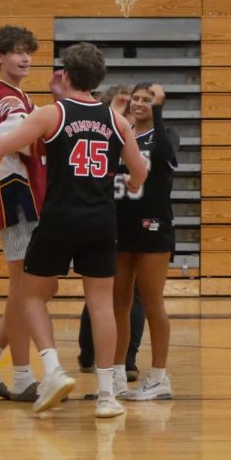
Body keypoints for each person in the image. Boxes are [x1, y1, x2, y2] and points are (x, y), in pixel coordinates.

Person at [0, 42, 148, 419]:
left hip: (60, 217)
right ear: (100, 78)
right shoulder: (118, 121)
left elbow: (5, 144)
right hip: (101, 219)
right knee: (101, 305)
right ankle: (108, 394)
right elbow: (140, 171)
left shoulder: (52, 113)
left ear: (65, 76)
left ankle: (51, 370)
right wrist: (130, 183)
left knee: (30, 295)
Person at [0, 24, 54, 402]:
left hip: (29, 197)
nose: (24, 57)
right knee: (25, 291)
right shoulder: (5, 100)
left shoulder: (19, 96)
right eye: (16, 50)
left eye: (28, 51)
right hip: (16, 198)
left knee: (38, 288)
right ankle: (20, 376)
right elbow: (21, 142)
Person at [116, 82, 181, 402]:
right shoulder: (120, 133)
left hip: (153, 225)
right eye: (136, 99)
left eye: (147, 99)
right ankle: (115, 376)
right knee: (118, 303)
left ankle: (158, 377)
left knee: (153, 302)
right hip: (118, 226)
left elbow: (165, 159)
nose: (140, 103)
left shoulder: (166, 134)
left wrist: (158, 110)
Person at [77, 85, 146, 380]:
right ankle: (99, 356)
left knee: (115, 295)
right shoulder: (116, 134)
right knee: (108, 295)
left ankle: (122, 359)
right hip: (108, 219)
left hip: (128, 220)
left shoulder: (144, 137)